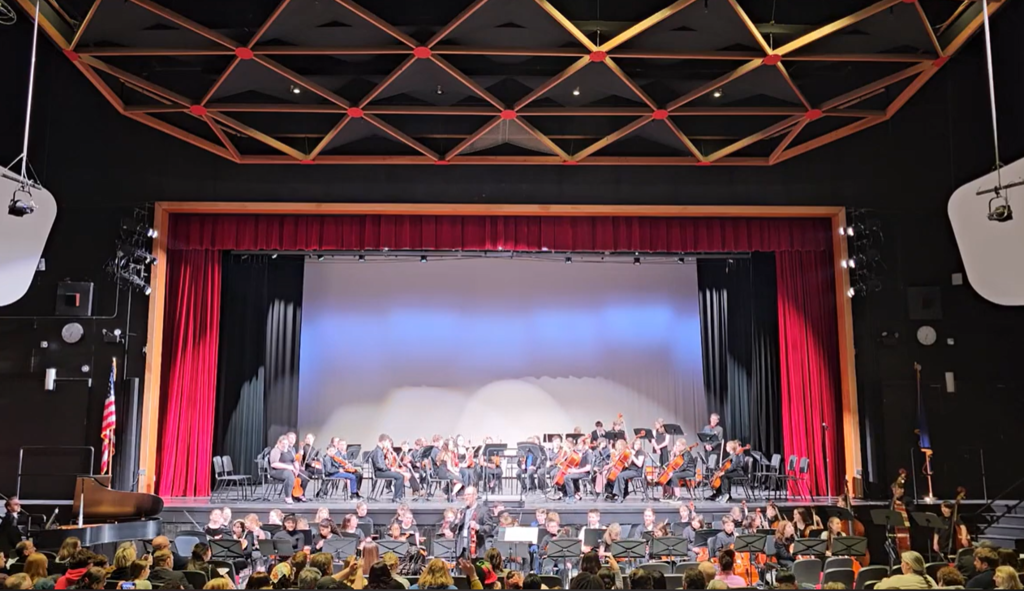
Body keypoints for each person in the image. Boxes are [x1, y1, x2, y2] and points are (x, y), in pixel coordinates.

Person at [269, 435, 309, 504]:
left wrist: (297, 468)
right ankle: (288, 497)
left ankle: (299, 494)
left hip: (290, 469)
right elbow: (274, 464)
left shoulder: (289, 450)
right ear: (279, 443)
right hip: (276, 471)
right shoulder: (276, 450)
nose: (285, 445)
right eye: (283, 443)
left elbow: (294, 461)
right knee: (289, 474)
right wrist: (289, 467)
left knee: (305, 475)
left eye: (286, 444)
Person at [371, 434, 406, 502]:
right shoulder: (378, 451)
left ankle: (397, 496)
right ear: (383, 442)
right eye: (387, 442)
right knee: (400, 476)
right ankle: (397, 497)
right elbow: (380, 466)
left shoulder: (379, 450)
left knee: (399, 475)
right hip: (379, 473)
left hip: (381, 471)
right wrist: (390, 469)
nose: (387, 444)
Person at [609, 438, 644, 503]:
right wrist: (627, 457)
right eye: (636, 444)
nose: (637, 445)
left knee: (621, 476)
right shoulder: (632, 451)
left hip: (636, 471)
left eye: (639, 444)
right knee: (619, 474)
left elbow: (639, 464)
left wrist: (633, 456)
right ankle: (623, 493)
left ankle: (620, 496)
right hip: (630, 470)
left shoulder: (641, 452)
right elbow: (629, 464)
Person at [456, 487, 487, 558]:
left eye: (469, 495)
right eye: (465, 495)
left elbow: (489, 528)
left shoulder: (483, 510)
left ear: (475, 496)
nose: (466, 497)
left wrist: (478, 527)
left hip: (476, 549)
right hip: (461, 550)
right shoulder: (462, 510)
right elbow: (452, 529)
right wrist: (457, 520)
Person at [562, 437, 592, 503]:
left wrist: (575, 471)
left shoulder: (588, 453)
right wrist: (575, 469)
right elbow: (581, 465)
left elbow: (588, 468)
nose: (578, 445)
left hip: (585, 473)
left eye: (579, 443)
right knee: (567, 474)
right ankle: (574, 494)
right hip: (581, 471)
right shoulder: (583, 453)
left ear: (584, 444)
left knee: (567, 477)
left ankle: (571, 497)